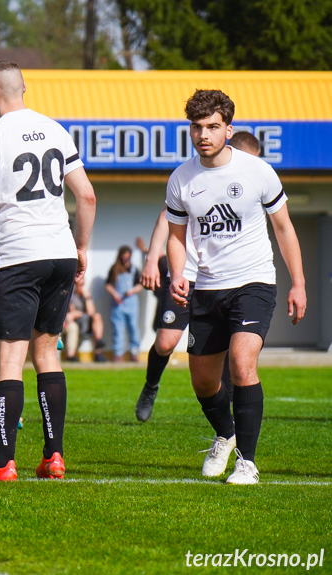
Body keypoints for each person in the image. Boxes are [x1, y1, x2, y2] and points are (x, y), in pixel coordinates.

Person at [0, 60, 96, 481]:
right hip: (60, 255)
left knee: (9, 362)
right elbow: (87, 196)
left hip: (19, 257)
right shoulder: (57, 129)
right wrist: (81, 248)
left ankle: (4, 463)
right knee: (47, 355)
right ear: (25, 87)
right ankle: (53, 456)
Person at [166, 90, 305, 485]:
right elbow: (176, 237)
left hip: (254, 281)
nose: (203, 135)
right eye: (197, 127)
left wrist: (299, 283)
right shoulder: (181, 179)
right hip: (207, 288)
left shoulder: (257, 171)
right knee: (204, 382)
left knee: (242, 363)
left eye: (212, 127)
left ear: (229, 128)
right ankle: (224, 435)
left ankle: (247, 462)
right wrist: (179, 273)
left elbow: (284, 227)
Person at [134, 131, 262, 422]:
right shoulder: (196, 177)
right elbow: (166, 217)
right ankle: (151, 385)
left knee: (233, 348)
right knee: (166, 342)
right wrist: (152, 259)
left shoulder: (251, 185)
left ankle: (228, 423)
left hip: (227, 280)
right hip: (185, 275)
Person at [105, 245, 143, 362]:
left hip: (131, 303)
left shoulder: (134, 269)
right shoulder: (114, 268)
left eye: (128, 256)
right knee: (118, 329)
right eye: (124, 256)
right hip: (118, 304)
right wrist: (115, 294)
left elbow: (140, 285)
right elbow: (108, 284)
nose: (126, 258)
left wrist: (131, 291)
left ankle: (134, 352)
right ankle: (118, 354)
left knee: (133, 327)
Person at [62, 275, 106, 363]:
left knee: (97, 317)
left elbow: (91, 312)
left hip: (85, 322)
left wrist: (87, 298)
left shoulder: (86, 296)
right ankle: (71, 355)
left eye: (82, 284)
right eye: (78, 284)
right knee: (73, 326)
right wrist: (75, 314)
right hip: (74, 322)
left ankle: (98, 346)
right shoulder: (70, 296)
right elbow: (70, 314)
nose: (80, 287)